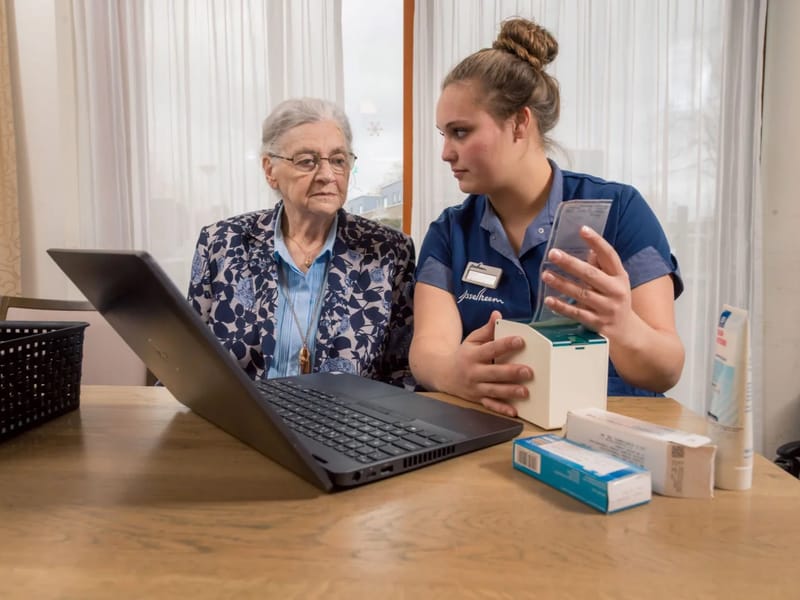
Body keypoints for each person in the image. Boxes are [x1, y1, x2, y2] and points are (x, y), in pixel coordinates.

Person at [409, 18, 684, 417]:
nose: (446, 153)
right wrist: (452, 373)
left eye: (461, 132)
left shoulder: (619, 210)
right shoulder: (450, 232)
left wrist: (622, 323)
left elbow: (666, 370)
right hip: (499, 434)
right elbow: (428, 350)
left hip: (611, 432)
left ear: (520, 123)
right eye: (444, 135)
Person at [188, 97, 415, 388]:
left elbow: (403, 376)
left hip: (345, 426)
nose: (327, 175)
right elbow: (187, 358)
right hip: (240, 423)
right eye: (307, 161)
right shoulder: (222, 242)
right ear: (270, 170)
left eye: (338, 160)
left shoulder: (389, 252)